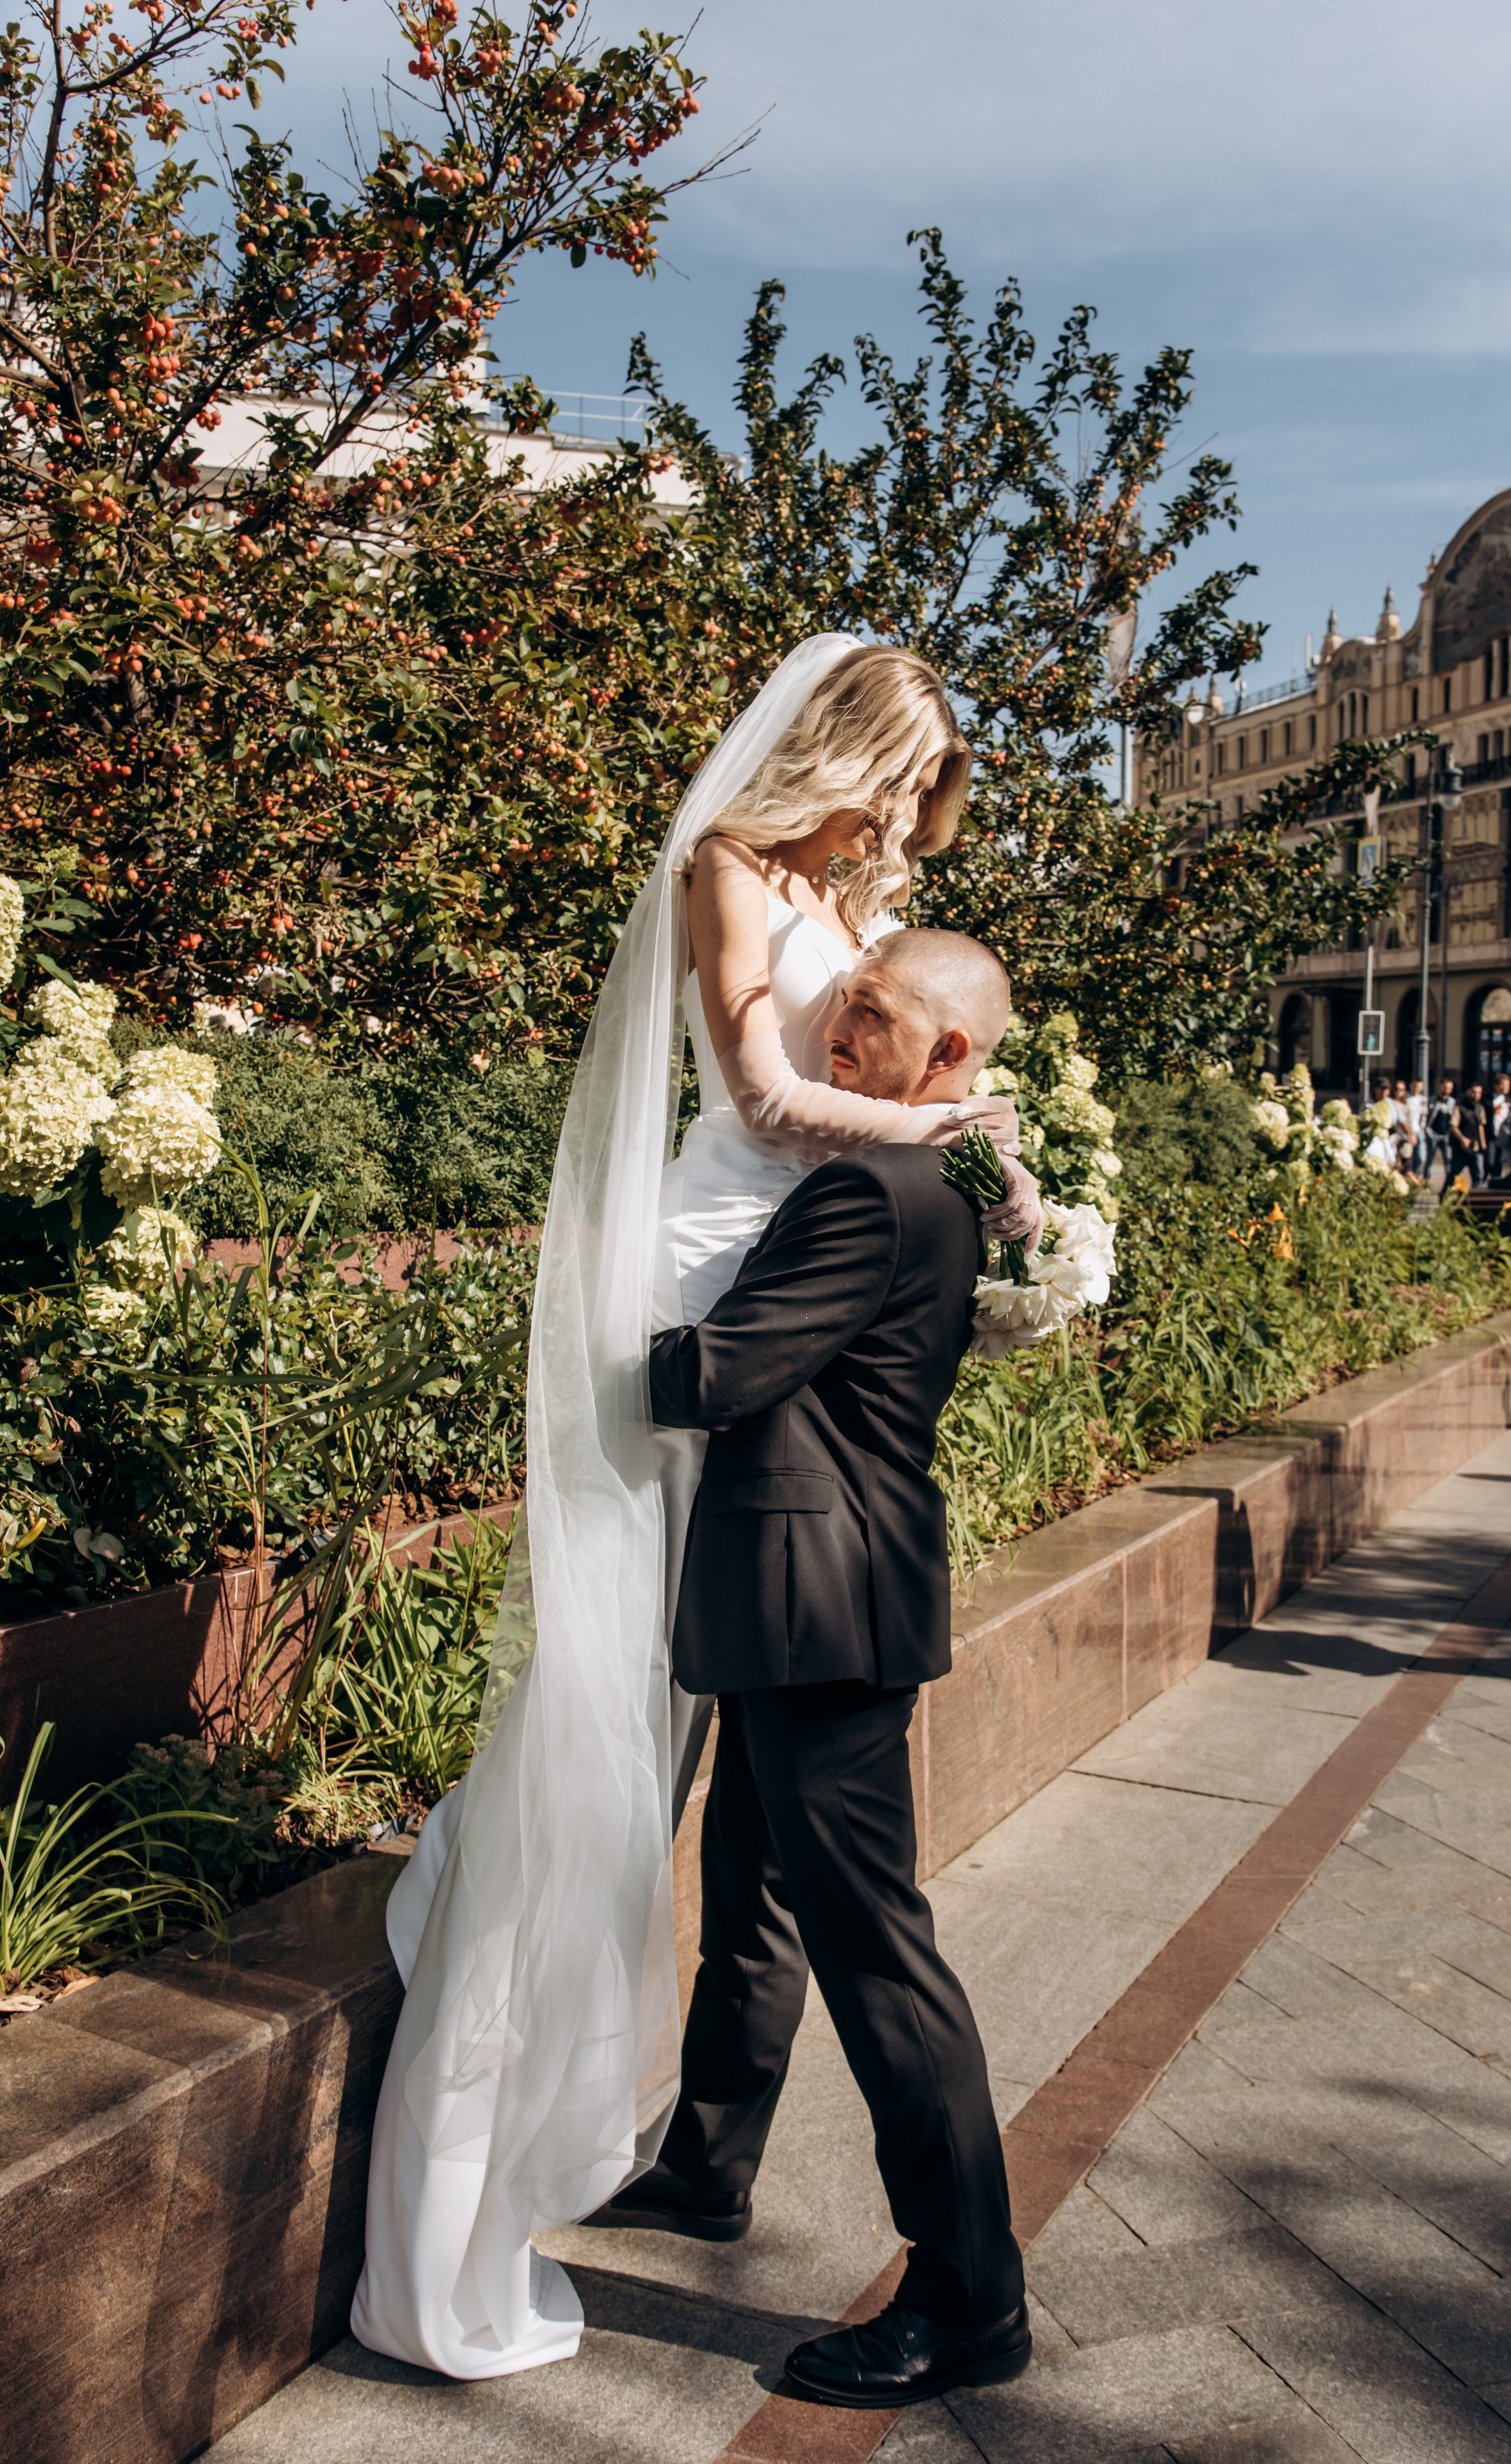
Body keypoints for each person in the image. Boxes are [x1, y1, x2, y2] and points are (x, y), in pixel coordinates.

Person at [350, 638, 1039, 2380]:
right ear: (842, 754)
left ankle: (962, 2285)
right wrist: (954, 1124)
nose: (895, 829)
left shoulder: (885, 1165)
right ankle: (714, 2157)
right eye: (891, 790)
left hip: (785, 1376)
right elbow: (757, 1099)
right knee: (707, 1788)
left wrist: (965, 1144)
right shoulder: (736, 873)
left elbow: (813, 1211)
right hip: (727, 1290)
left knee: (793, 1844)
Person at [599, 929, 1032, 2409]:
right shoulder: (956, 1169)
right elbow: (1004, 1195)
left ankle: (968, 2290)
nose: (845, 1016)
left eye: (883, 1009)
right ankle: (705, 2162)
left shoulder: (864, 1186)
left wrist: (576, 1344)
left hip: (812, 1592)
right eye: (849, 992)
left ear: (951, 1053)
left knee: (876, 1948)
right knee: (753, 1882)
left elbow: (721, 1369)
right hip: (825, 1578)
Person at [1453, 1080, 1487, 1191]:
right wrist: (1462, 1138)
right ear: (1468, 1092)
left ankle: (1478, 1202)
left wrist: (1483, 1145)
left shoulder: (1479, 1108)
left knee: (1478, 1177)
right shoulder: (1459, 1107)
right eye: (1474, 1092)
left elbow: (1481, 1126)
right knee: (1453, 1175)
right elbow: (1453, 1125)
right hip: (1461, 1148)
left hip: (1476, 1147)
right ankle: (1444, 1198)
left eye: (1479, 1093)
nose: (1476, 1095)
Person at [1426, 1076, 1459, 1190]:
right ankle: (1426, 1182)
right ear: (1440, 1087)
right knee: (1429, 1159)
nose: (1448, 1090)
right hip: (1433, 1133)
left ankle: (1449, 1185)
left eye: (1450, 1088)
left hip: (1446, 1135)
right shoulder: (1432, 1100)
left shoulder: (1452, 1102)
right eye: (1446, 1087)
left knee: (1448, 1160)